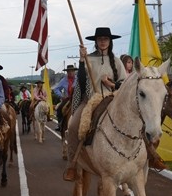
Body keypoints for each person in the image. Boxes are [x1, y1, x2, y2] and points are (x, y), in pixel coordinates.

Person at [64, 27, 126, 181]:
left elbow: (124, 84)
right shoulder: (88, 59)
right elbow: (82, 81)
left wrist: (110, 84)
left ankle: (148, 155)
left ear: (110, 41)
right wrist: (81, 60)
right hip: (91, 101)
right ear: (96, 42)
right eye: (100, 39)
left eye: (105, 39)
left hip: (112, 100)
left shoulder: (117, 62)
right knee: (72, 127)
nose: (103, 41)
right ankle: (72, 165)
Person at [52, 64, 77, 131]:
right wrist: (61, 95)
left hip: (77, 98)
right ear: (67, 72)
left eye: (72, 71)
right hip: (68, 99)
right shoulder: (63, 80)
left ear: (74, 71)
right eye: (69, 71)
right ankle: (60, 124)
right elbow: (56, 89)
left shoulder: (78, 79)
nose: (70, 72)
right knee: (59, 108)